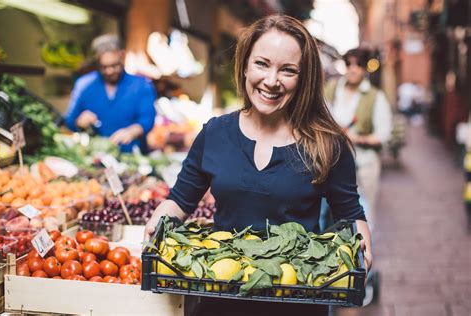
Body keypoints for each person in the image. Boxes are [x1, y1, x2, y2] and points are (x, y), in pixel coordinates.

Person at [144, 15, 372, 316]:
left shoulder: (327, 145)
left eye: (288, 70)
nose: (271, 81)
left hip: (297, 300)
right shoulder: (215, 134)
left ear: (304, 78)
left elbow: (350, 213)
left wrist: (362, 254)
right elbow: (180, 200)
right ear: (245, 66)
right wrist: (155, 227)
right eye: (262, 64)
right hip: (221, 296)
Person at [324, 48, 392, 229]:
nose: (353, 69)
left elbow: (383, 135)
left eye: (358, 65)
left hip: (364, 164)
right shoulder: (332, 88)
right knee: (329, 213)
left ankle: (364, 254)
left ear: (365, 69)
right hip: (331, 162)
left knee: (363, 213)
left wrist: (355, 138)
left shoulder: (375, 96)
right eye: (349, 64)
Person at [65, 34, 157, 153]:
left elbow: (147, 119)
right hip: (94, 156)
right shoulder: (84, 85)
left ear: (122, 56)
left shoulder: (142, 85)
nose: (109, 71)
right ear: (97, 62)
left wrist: (131, 132)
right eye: (104, 67)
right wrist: (79, 122)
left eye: (115, 65)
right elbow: (69, 120)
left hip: (131, 156)